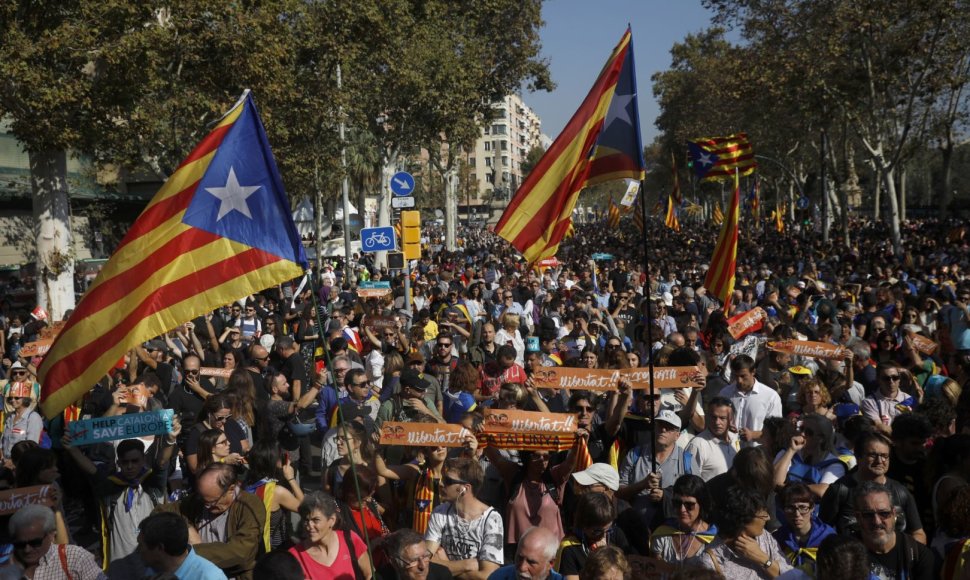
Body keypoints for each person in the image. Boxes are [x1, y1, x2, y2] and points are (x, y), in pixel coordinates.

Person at [64, 426, 179, 567]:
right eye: (125, 462)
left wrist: (170, 440)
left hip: (153, 564)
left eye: (135, 461)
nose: (130, 466)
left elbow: (161, 463)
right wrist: (72, 449)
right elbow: (92, 471)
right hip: (121, 566)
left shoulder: (152, 484)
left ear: (143, 460)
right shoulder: (110, 487)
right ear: (118, 463)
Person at [155, 463, 266, 580]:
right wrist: (185, 527)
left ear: (231, 489)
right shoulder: (200, 501)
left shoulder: (250, 505)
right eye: (204, 501)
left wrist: (189, 553)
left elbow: (242, 552)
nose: (207, 507)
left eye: (212, 502)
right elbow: (160, 512)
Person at [819, 431, 926, 543]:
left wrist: (909, 555)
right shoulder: (839, 490)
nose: (880, 461)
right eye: (873, 455)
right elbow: (821, 533)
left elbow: (918, 533)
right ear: (858, 456)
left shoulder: (901, 492)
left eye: (885, 456)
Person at [425, 457, 504, 578]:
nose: (441, 484)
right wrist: (467, 565)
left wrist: (443, 565)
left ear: (464, 489)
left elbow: (488, 576)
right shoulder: (440, 512)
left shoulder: (491, 519)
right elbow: (425, 563)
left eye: (447, 480)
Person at [692, 486, 791, 579]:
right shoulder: (710, 562)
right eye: (763, 515)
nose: (768, 518)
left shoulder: (764, 538)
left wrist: (763, 559)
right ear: (744, 521)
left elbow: (793, 576)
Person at [853, 480, 939, 579]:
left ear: (894, 513)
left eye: (884, 513)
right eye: (868, 515)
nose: (877, 522)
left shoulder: (919, 555)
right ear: (858, 517)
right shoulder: (846, 556)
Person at [617, 409, 687, 529]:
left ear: (677, 435)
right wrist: (642, 485)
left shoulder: (687, 460)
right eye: (660, 425)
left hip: (673, 529)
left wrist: (665, 496)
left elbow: (696, 496)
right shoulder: (634, 454)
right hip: (636, 529)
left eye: (669, 427)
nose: (663, 430)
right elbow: (618, 493)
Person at [288, 491, 373, 579]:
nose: (309, 525)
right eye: (306, 520)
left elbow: (370, 573)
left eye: (316, 520)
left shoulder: (350, 539)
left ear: (332, 520)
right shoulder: (295, 556)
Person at [9, 504, 106, 579]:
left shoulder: (75, 557)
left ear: (51, 535)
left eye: (35, 542)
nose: (27, 549)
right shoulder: (7, 567)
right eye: (20, 544)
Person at [243, 441, 304, 552]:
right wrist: (291, 479)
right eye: (280, 456)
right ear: (272, 462)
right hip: (275, 548)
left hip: (251, 546)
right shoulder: (276, 492)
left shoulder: (246, 483)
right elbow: (305, 507)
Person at [555, 492, 631, 580]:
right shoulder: (570, 548)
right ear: (583, 525)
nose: (603, 535)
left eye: (608, 530)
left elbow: (627, 570)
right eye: (597, 531)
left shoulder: (616, 534)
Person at [649, 474, 717, 570]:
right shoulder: (662, 535)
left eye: (689, 505)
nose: (682, 509)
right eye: (677, 503)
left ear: (701, 504)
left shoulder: (714, 540)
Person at [772, 413, 846, 498]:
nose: (802, 434)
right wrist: (791, 451)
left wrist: (786, 487)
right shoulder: (787, 452)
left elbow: (822, 491)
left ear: (821, 439)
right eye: (801, 429)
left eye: (809, 432)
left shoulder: (834, 464)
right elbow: (774, 483)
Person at [137, 512, 227, 579]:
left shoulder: (209, 576)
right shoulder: (152, 570)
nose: (138, 551)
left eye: (141, 545)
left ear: (160, 548)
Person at [770, 483, 835, 578]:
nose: (797, 514)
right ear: (783, 509)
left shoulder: (828, 537)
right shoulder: (777, 539)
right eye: (790, 508)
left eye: (803, 507)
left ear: (812, 508)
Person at [719, 355, 783, 447]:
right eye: (735, 376)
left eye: (743, 376)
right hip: (728, 452)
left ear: (753, 372)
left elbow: (776, 431)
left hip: (757, 454)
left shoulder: (770, 396)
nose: (739, 380)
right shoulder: (725, 393)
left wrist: (753, 435)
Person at [684, 397, 740, 481]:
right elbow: (689, 482)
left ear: (731, 419)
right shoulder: (696, 445)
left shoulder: (735, 439)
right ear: (707, 417)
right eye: (714, 417)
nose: (717, 422)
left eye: (722, 418)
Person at [487, 526, 563, 580]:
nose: (522, 568)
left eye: (531, 562)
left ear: (550, 563)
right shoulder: (499, 576)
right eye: (519, 558)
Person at [378, 528, 454, 580]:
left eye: (425, 557)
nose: (422, 566)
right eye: (414, 560)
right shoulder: (380, 577)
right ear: (394, 563)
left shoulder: (442, 576)